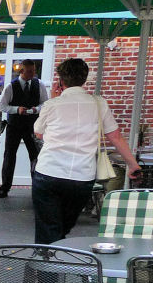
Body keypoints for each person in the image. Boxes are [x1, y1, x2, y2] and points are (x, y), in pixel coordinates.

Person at [31, 58, 141, 244]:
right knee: (62, 228)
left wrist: (54, 100)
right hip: (81, 178)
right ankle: (54, 260)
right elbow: (115, 137)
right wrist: (133, 164)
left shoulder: (52, 105)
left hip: (49, 172)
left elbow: (38, 134)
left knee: (47, 230)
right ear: (84, 79)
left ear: (61, 81)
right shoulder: (99, 103)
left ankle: (45, 268)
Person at [0, 59, 49, 198]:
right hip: (14, 125)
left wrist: (36, 109)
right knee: (9, 155)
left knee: (35, 155)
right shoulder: (11, 86)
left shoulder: (40, 85)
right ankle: (4, 187)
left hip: (33, 125)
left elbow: (45, 103)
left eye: (34, 70)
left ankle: (37, 187)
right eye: (30, 71)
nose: (33, 73)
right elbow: (1, 106)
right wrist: (16, 109)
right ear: (22, 71)